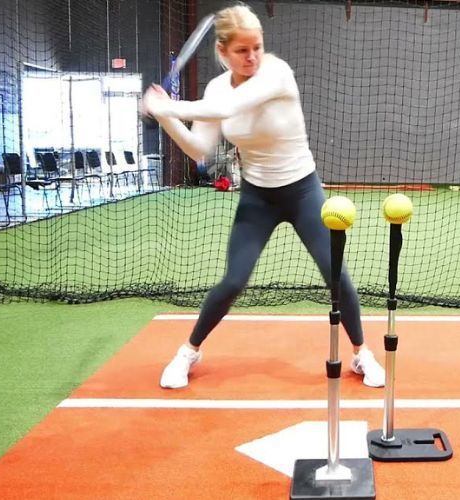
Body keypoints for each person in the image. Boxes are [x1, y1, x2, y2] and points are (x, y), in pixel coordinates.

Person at [140, 3, 384, 389]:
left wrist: (164, 105)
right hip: (258, 197)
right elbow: (198, 149)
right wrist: (167, 117)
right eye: (241, 50)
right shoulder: (215, 89)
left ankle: (361, 353)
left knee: (335, 274)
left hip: (303, 191)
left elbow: (230, 107)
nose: (252, 56)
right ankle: (189, 351)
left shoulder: (277, 73)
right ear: (223, 53)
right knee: (234, 280)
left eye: (257, 46)